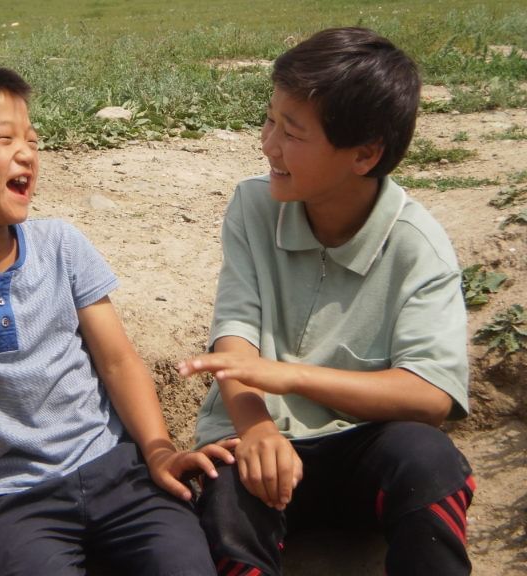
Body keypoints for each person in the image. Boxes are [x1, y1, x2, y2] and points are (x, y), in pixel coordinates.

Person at [0, 60, 235, 576]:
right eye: (4, 139)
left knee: (184, 562)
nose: (27, 152)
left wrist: (159, 450)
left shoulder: (61, 244)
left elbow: (118, 362)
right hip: (6, 498)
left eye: (31, 139)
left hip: (116, 469)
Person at [177, 27, 475, 576]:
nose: (268, 143)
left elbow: (431, 394)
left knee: (427, 461)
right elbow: (234, 337)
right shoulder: (252, 206)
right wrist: (258, 429)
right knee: (226, 489)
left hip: (364, 455)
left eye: (291, 132)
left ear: (364, 155)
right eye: (270, 120)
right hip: (261, 444)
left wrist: (290, 376)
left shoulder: (417, 246)